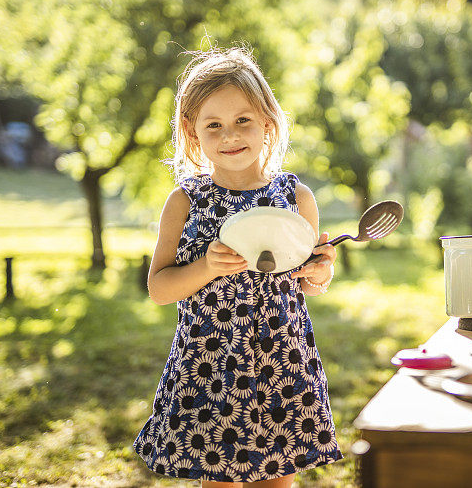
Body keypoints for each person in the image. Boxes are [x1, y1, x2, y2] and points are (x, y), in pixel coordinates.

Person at [133, 46, 344, 487]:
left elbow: (308, 282)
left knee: (276, 480)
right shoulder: (185, 202)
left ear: (267, 121)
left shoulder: (296, 199)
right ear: (194, 134)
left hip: (281, 366)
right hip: (212, 367)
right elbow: (159, 288)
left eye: (242, 120)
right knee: (220, 480)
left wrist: (319, 272)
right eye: (214, 125)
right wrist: (207, 266)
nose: (230, 135)